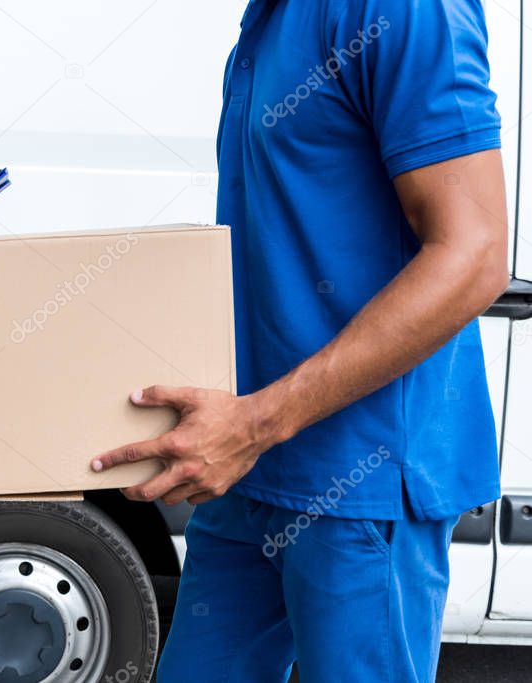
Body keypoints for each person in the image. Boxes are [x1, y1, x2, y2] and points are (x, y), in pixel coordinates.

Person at [92, 1, 509, 681]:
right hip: (245, 465)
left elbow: (475, 252)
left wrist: (256, 423)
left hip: (357, 477)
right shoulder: (269, 16)